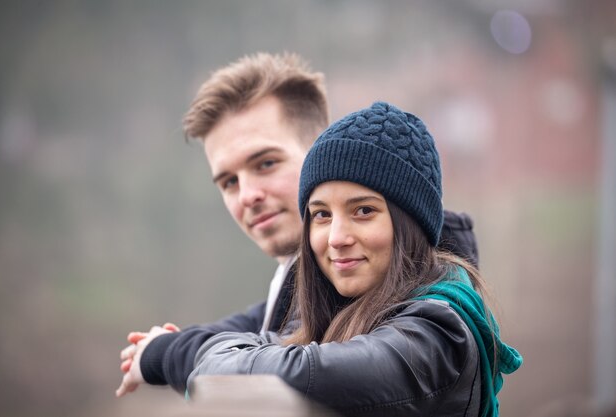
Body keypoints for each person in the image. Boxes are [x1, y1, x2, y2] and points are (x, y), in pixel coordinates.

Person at [116, 53, 480, 397]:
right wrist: (167, 347)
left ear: (320, 150)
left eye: (266, 163)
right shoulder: (314, 294)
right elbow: (255, 327)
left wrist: (173, 355)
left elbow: (312, 372)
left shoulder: (426, 319)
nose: (247, 195)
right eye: (229, 182)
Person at [186, 101, 522, 417]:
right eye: (321, 215)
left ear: (410, 223)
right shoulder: (336, 313)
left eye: (363, 211)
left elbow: (310, 374)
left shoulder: (439, 335)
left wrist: (206, 357)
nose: (336, 238)